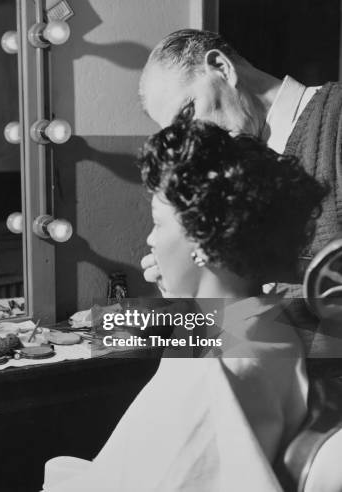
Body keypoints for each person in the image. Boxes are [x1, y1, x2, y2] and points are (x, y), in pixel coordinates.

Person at [41, 116, 326, 491]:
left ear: (204, 242)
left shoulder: (215, 371)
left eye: (158, 223)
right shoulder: (263, 325)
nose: (150, 239)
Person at [138, 28, 341, 296]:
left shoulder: (335, 119)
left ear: (222, 68)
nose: (193, 136)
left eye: (188, 113)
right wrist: (189, 280)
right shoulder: (234, 175)